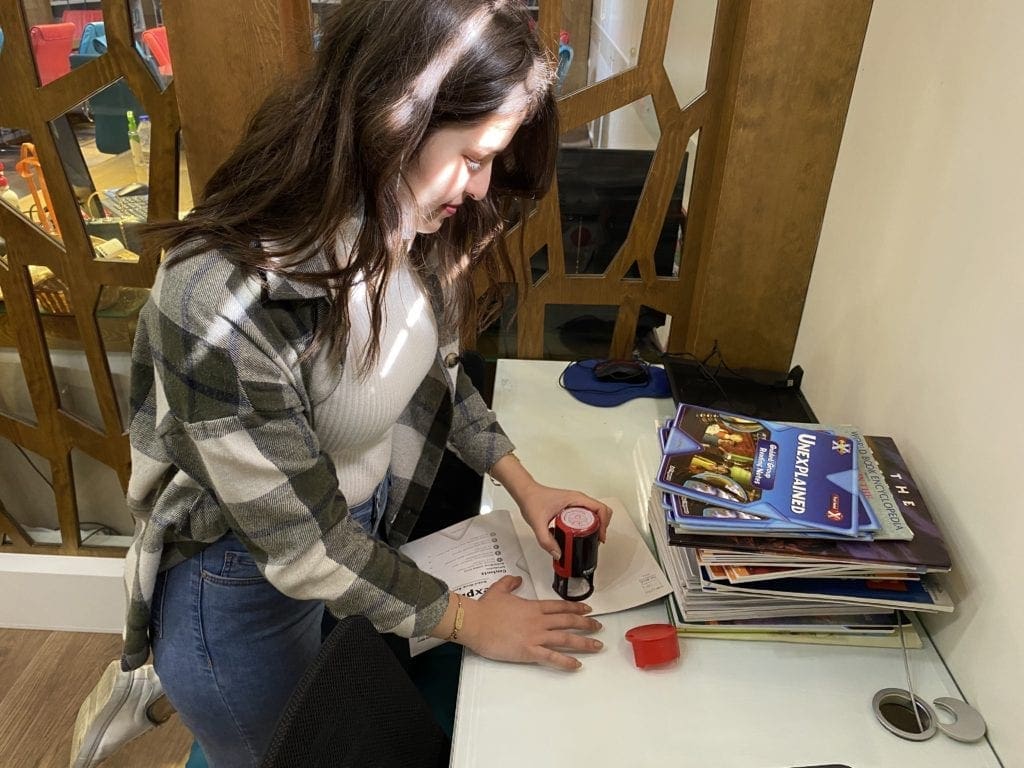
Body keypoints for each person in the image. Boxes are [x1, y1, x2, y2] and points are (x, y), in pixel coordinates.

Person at [82, 2, 612, 767]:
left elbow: (433, 376)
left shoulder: (410, 224)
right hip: (241, 592)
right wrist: (463, 621)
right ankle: (172, 676)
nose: (481, 185)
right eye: (472, 156)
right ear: (395, 118)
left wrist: (525, 486)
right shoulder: (218, 301)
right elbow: (301, 545)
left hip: (356, 548)